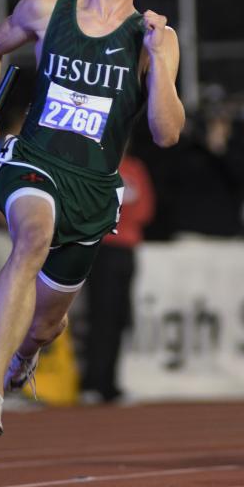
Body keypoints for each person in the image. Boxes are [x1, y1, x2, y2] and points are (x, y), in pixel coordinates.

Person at [0, 0, 185, 436]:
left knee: (47, 323)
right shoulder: (45, 9)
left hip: (93, 187)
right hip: (35, 160)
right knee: (32, 238)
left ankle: (27, 353)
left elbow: (167, 132)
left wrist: (158, 61)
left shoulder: (156, 37)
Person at [80, 147, 156, 403]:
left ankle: (110, 383)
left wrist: (119, 213)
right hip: (102, 247)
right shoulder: (96, 165)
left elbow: (145, 209)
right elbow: (91, 206)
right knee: (101, 315)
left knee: (121, 317)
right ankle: (92, 382)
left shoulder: (135, 168)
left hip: (127, 249)